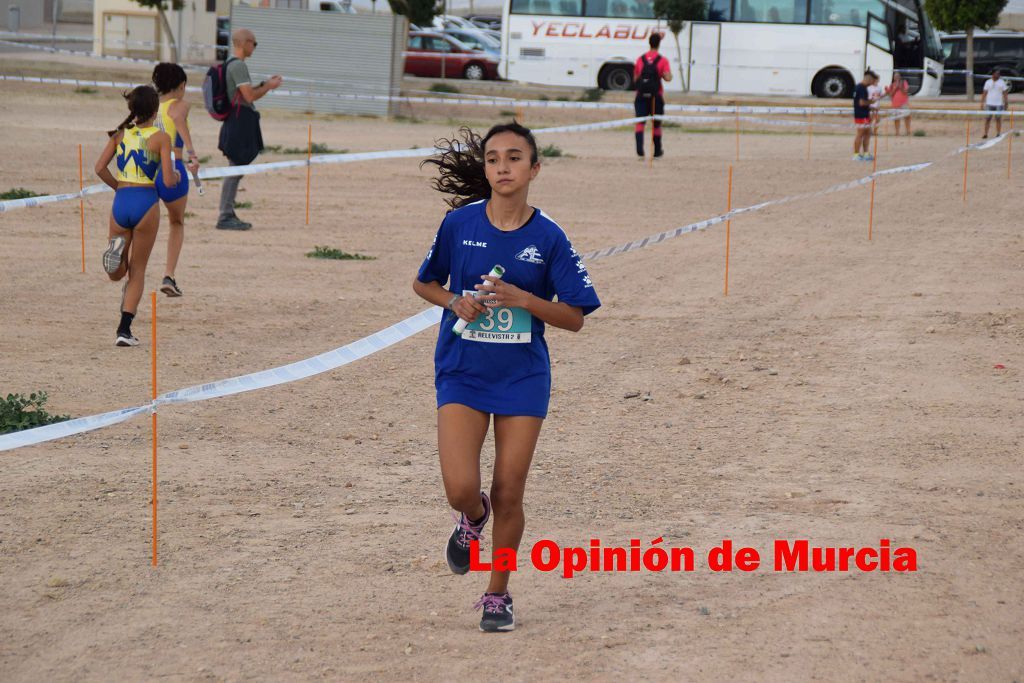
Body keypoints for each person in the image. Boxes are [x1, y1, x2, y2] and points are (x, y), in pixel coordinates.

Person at [413, 122, 600, 632]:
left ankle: (498, 594)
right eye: (493, 158)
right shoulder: (458, 224)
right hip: (462, 371)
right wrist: (454, 300)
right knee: (461, 487)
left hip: (522, 378)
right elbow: (423, 282)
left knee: (510, 491)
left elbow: (576, 316)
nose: (502, 167)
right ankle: (472, 519)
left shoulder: (550, 236)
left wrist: (524, 300)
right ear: (485, 169)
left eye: (514, 158)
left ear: (534, 169)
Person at [95, 86, 178, 346]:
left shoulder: (120, 135)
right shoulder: (161, 138)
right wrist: (175, 176)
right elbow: (167, 180)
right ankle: (124, 330)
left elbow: (99, 168)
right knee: (138, 270)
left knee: (117, 274)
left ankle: (115, 257)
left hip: (122, 201)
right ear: (155, 110)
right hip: (146, 202)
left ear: (132, 110)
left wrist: (119, 187)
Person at [217, 28, 282, 230]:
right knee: (236, 169)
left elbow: (248, 93)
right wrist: (269, 86)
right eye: (254, 43)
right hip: (238, 122)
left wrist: (264, 84)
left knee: (236, 168)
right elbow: (249, 97)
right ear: (244, 43)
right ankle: (225, 215)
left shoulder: (232, 65)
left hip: (235, 121)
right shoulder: (238, 67)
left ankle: (227, 212)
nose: (254, 47)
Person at [152, 62, 200, 297]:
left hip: (149, 171)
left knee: (143, 226)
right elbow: (178, 117)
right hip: (173, 168)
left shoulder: (151, 108)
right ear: (181, 85)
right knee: (176, 223)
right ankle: (169, 275)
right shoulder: (180, 104)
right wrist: (192, 152)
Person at [633, 32, 672, 158]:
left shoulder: (640, 59)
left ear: (649, 43)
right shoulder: (663, 60)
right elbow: (667, 78)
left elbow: (635, 78)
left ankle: (640, 149)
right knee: (656, 124)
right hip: (656, 96)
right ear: (659, 44)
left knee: (640, 122)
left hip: (641, 96)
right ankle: (657, 150)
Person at [852, 70, 877, 161]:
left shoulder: (860, 87)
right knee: (860, 134)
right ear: (869, 79)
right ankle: (856, 154)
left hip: (865, 114)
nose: (872, 83)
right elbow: (862, 102)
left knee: (867, 133)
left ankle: (866, 153)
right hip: (860, 115)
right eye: (872, 81)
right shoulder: (861, 88)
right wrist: (871, 102)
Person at [982, 69, 1009, 139]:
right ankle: (985, 133)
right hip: (989, 103)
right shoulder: (988, 82)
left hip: (999, 104)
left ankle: (998, 133)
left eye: (999, 74)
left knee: (998, 119)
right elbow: (984, 92)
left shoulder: (1002, 82)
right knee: (988, 119)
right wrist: (982, 102)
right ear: (993, 74)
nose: (998, 75)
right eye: (997, 73)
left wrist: (1006, 102)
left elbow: (1005, 93)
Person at [885, 70, 911, 136]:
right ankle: (897, 132)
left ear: (900, 77)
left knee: (907, 116)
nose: (896, 78)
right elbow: (891, 95)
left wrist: (900, 87)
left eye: (897, 76)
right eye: (895, 76)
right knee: (896, 118)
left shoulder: (904, 82)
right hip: (895, 104)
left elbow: (905, 92)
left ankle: (908, 131)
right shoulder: (892, 85)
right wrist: (895, 88)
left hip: (904, 103)